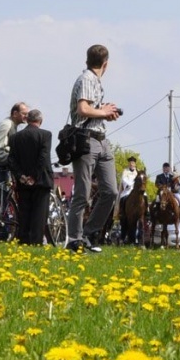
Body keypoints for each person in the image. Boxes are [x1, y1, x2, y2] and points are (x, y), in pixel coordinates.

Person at [65, 44, 121, 253]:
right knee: (83, 192)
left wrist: (106, 112)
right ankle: (75, 239)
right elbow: (83, 109)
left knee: (111, 191)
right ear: (105, 64)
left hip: (102, 139)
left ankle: (89, 233)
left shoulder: (94, 81)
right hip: (86, 140)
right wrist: (103, 111)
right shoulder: (87, 79)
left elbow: (92, 110)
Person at [8, 109, 54, 245]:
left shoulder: (15, 137)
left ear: (27, 120)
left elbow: (11, 160)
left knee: (24, 211)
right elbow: (43, 158)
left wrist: (21, 176)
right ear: (40, 120)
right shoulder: (45, 135)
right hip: (41, 180)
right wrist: (34, 176)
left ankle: (23, 240)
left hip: (22, 181)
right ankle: (36, 241)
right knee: (40, 213)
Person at [0, 102, 29, 183]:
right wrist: (12, 160)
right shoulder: (7, 125)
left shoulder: (11, 125)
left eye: (27, 114)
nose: (26, 116)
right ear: (15, 113)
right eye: (24, 114)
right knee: (0, 194)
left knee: (1, 193)